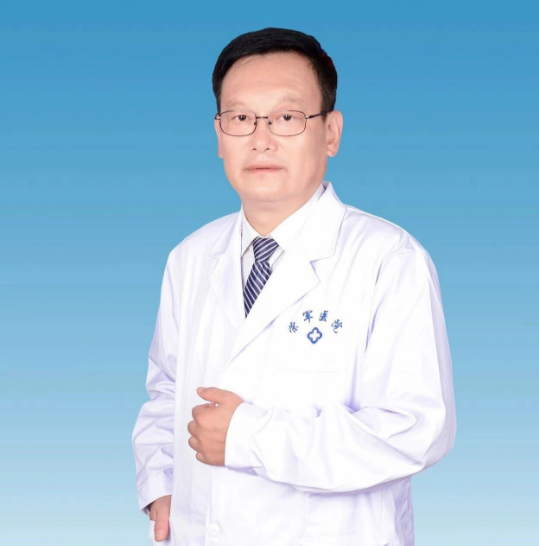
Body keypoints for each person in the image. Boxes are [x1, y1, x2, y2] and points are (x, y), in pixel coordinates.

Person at [132, 27, 456, 546]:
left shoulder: (389, 259)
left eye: (286, 118)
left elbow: (416, 430)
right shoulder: (190, 257)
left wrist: (249, 437)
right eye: (241, 118)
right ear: (219, 135)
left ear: (331, 133)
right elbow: (167, 390)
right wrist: (161, 483)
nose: (261, 139)